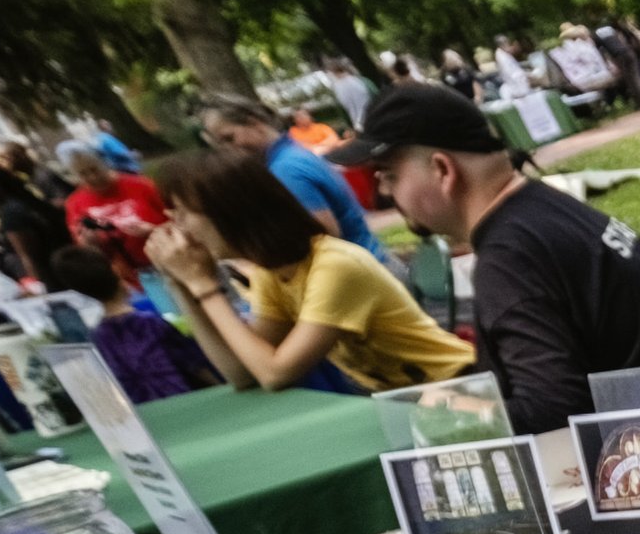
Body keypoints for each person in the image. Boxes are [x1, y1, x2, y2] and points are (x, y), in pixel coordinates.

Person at [336, 84, 640, 432]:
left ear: (442, 169)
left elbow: (554, 413)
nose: (386, 193)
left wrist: (456, 408)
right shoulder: (543, 211)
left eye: (389, 175)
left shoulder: (511, 258)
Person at [144, 148, 472, 394]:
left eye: (184, 214)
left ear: (228, 212)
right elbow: (243, 373)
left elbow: (275, 373)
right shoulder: (274, 274)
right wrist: (182, 286)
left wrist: (205, 287)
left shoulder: (334, 266)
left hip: (460, 385)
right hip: (411, 399)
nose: (178, 229)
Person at [198, 95, 388, 262]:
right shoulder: (291, 152)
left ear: (253, 121)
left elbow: (325, 240)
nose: (227, 150)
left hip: (361, 278)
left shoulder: (285, 170)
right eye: (219, 145)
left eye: (229, 138)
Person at [46, 244, 215, 403]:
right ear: (115, 270)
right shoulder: (150, 324)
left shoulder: (99, 337)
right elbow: (195, 365)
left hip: (147, 414)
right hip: (187, 401)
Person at [60, 147, 167, 283]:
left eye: (94, 169)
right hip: (126, 278)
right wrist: (90, 243)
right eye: (83, 174)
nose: (93, 177)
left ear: (105, 164)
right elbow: (85, 252)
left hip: (165, 262)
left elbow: (179, 221)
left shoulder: (142, 185)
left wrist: (152, 230)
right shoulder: (75, 203)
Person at [0, 165, 72, 286]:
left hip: (50, 277)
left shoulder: (11, 215)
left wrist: (38, 288)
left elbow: (28, 257)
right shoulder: (29, 202)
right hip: (67, 268)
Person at [324, 56, 376, 130]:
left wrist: (350, 127)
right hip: (377, 116)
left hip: (360, 125)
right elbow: (378, 96)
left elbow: (343, 111)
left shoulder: (337, 89)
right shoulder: (363, 81)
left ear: (332, 73)